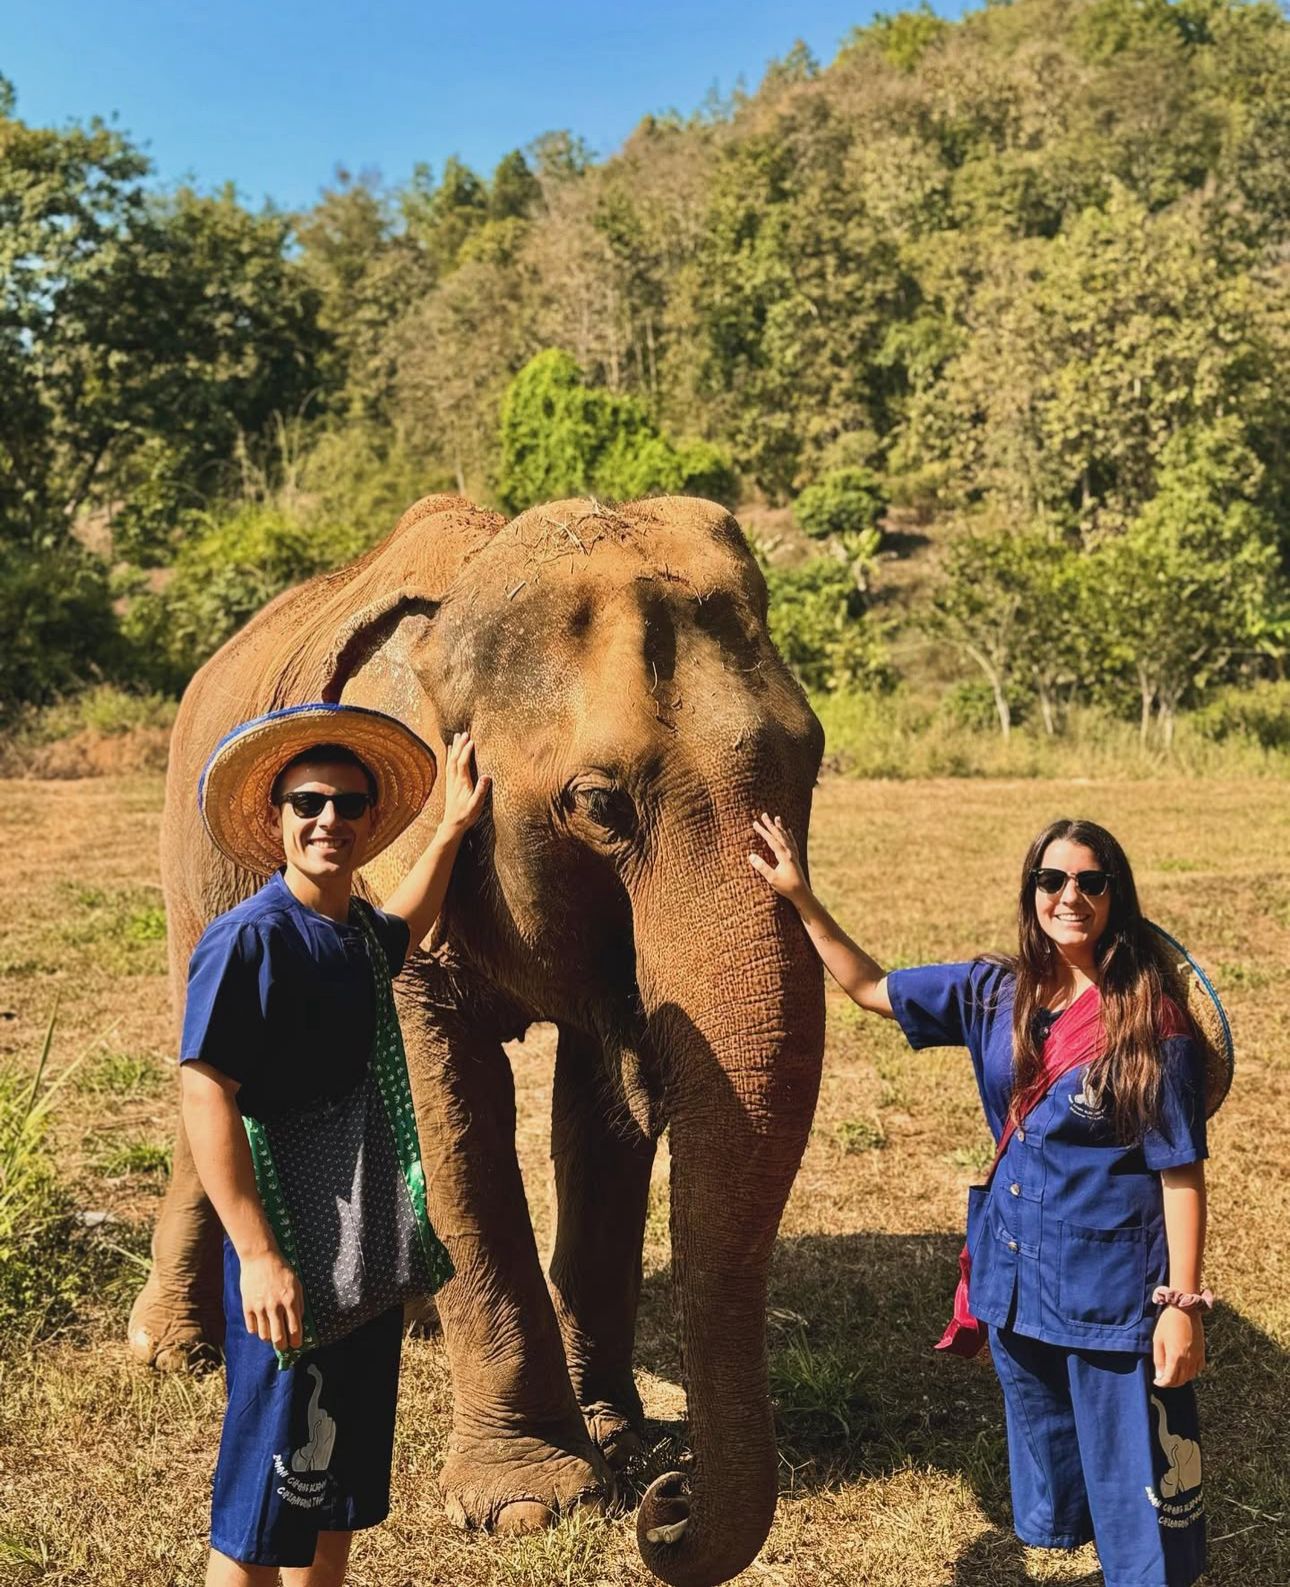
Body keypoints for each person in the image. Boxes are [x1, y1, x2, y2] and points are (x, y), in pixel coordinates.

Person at [750, 813, 1212, 1587]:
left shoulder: (1149, 1020)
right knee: (1069, 1464)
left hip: (1111, 1291)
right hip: (1020, 1279)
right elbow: (869, 987)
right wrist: (801, 897)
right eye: (1052, 879)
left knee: (1139, 1485)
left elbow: (1181, 1172)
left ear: (1115, 895)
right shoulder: (993, 992)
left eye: (1091, 881)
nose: (1070, 896)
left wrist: (1182, 1304)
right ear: (1032, 891)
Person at [180, 704, 489, 1587]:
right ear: (275, 817)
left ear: (367, 819)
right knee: (260, 1513)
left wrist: (453, 829)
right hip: (287, 1259)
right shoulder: (250, 941)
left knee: (330, 1496)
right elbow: (206, 1088)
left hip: (361, 1259)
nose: (329, 820)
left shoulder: (355, 933)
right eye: (308, 802)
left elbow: (406, 925)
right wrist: (256, 1256)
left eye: (349, 804)